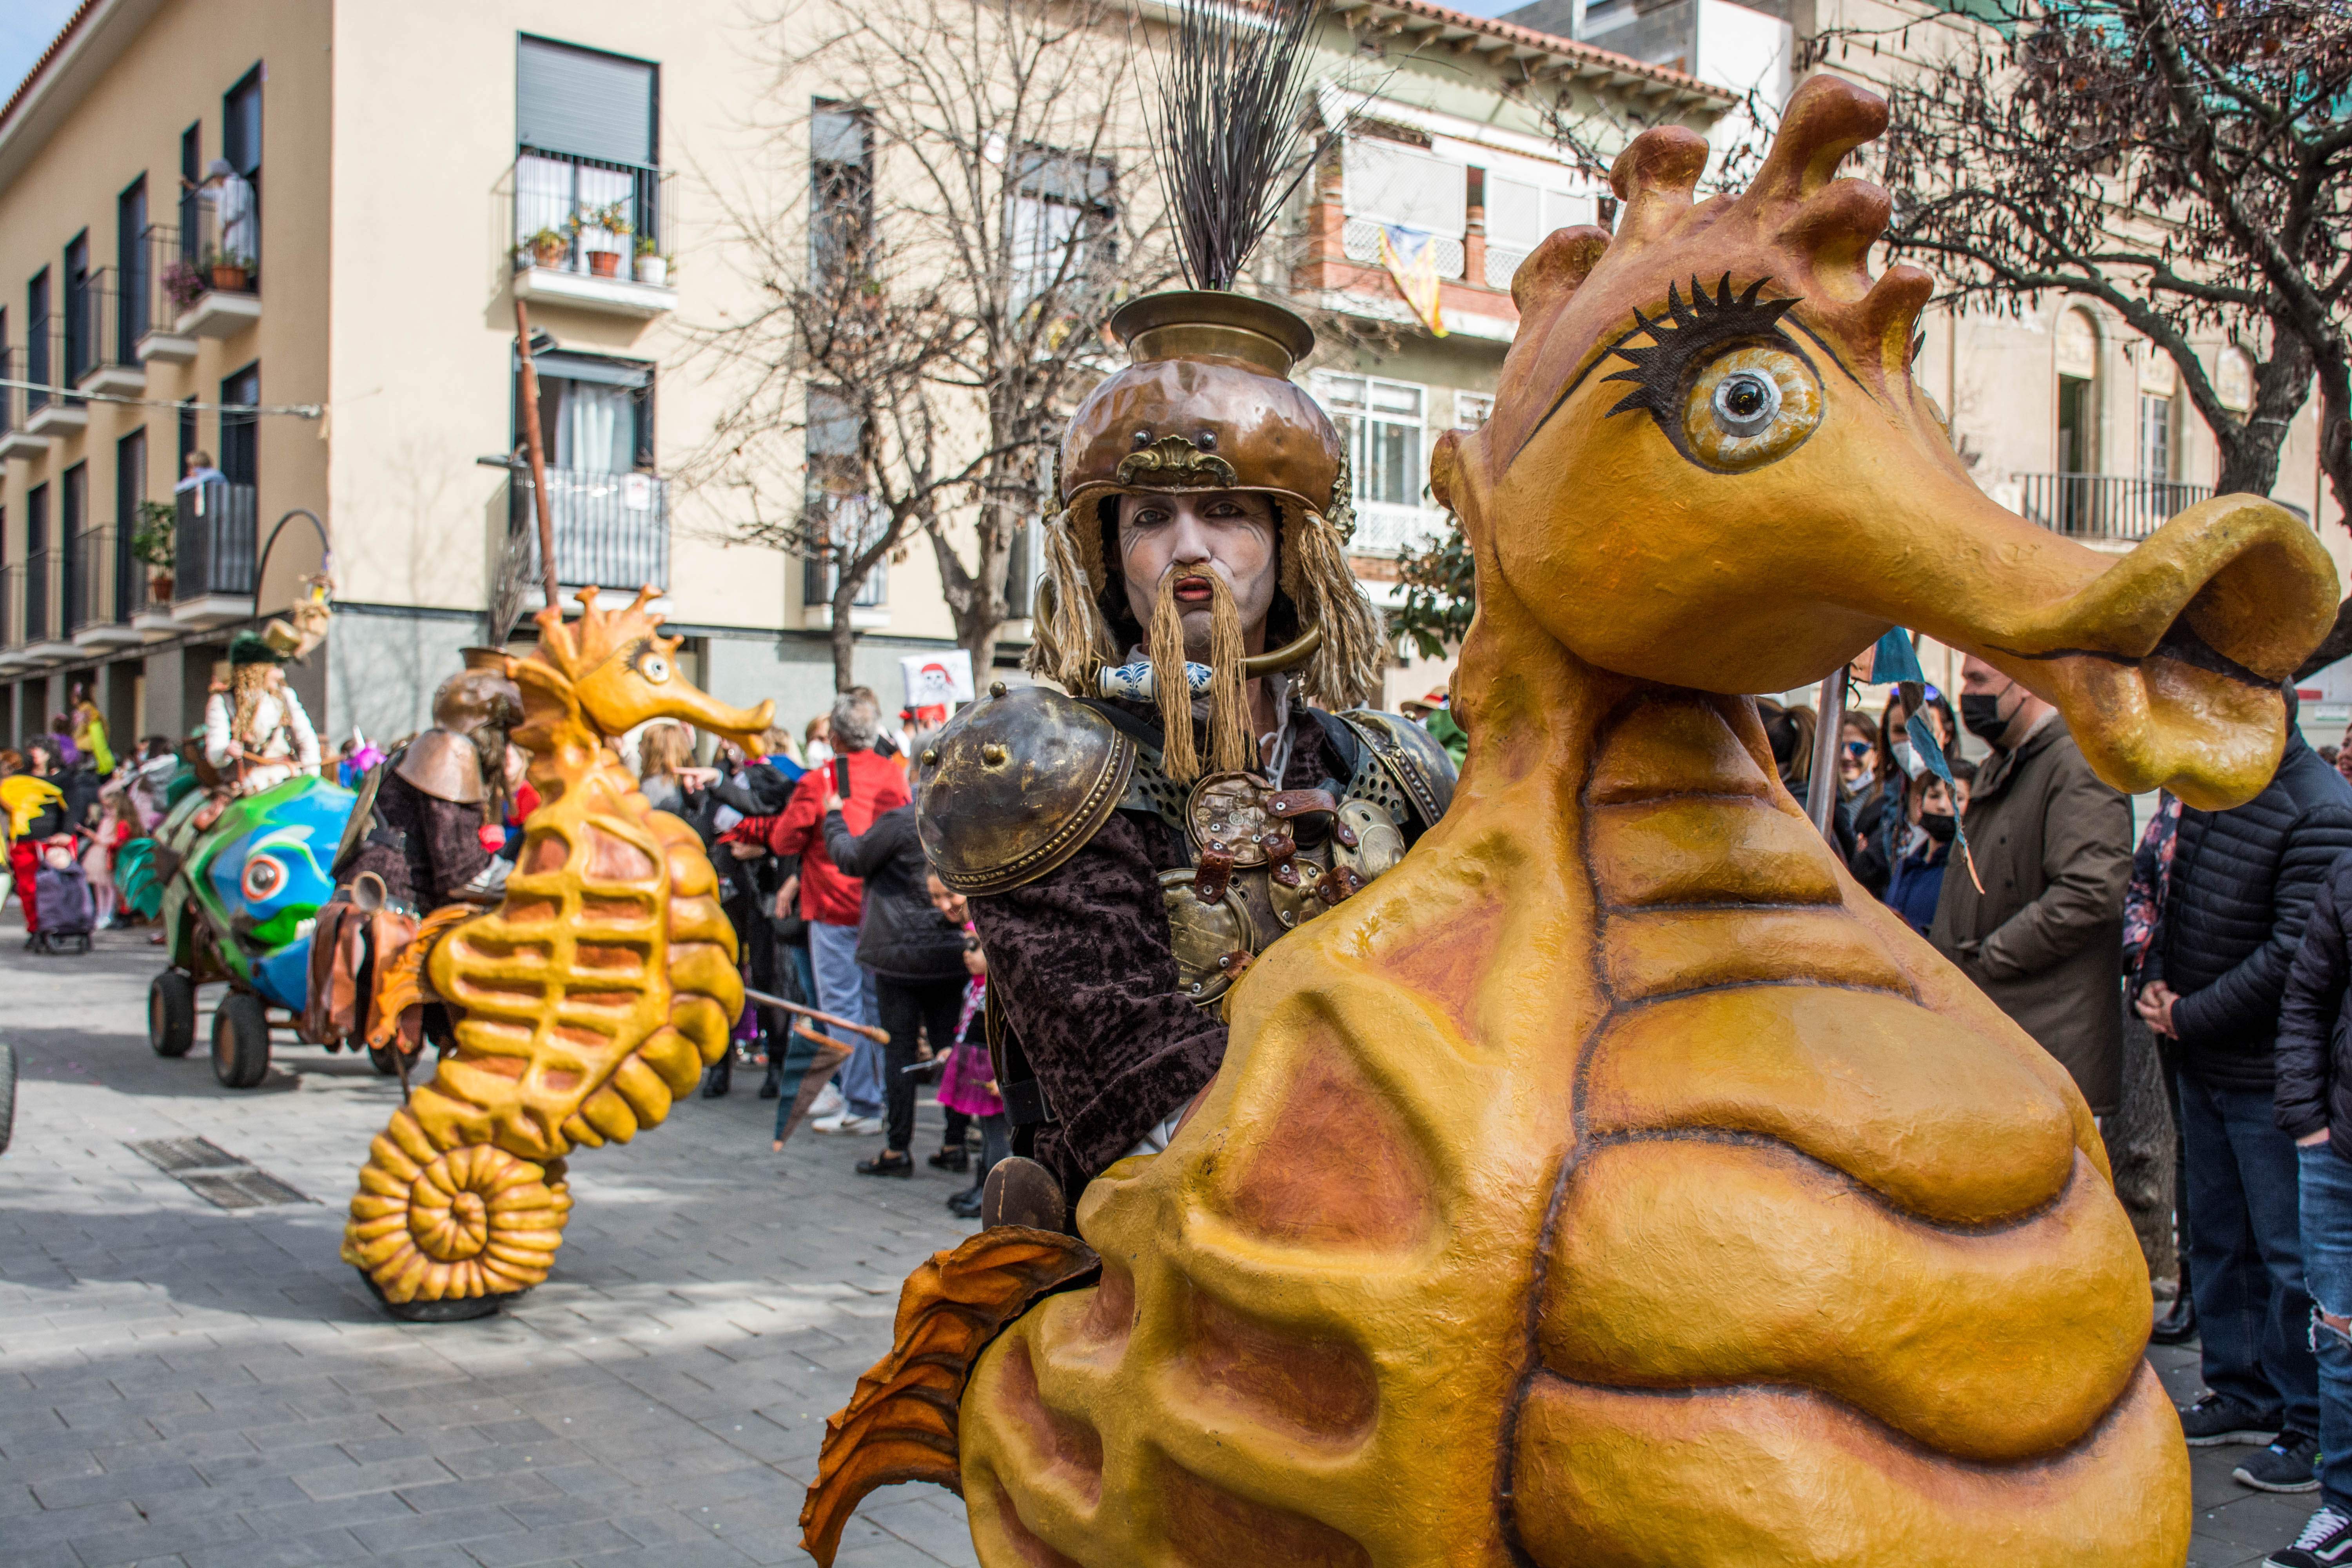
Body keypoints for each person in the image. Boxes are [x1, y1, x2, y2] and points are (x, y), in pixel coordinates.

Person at [915, 283, 1454, 1221]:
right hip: (1170, 1252)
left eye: (1226, 511)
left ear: (1292, 544)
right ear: (1109, 552)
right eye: (1151, 517)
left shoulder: (1395, 764)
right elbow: (1135, 1086)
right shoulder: (1048, 765)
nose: (1188, 547)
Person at [2141, 686, 2352, 1494]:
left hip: (2272, 1078)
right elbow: (2162, 895)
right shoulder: (2216, 794)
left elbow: (2295, 955)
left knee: (2289, 1257)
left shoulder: (2317, 807)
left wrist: (2189, 1013)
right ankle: (2240, 1389)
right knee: (2219, 1241)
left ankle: (2307, 1424)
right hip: (2202, 1059)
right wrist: (2156, 984)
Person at [1929, 654, 2131, 1117]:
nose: (1968, 695)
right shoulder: (2012, 763)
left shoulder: (2076, 763)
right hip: (2006, 1038)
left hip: (2046, 1048)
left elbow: (2091, 890)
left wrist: (1994, 956)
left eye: (1979, 680)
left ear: (2025, 684)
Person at [724, 689, 909, 1136]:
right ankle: (881, 1098)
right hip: (880, 906)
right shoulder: (893, 775)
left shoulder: (822, 779)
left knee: (841, 1008)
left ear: (838, 737)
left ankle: (863, 1101)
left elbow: (785, 840)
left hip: (832, 907)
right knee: (873, 1005)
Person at [821, 782, 970, 1177]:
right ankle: (954, 1142)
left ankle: (898, 1149)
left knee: (900, 1051)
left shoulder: (902, 820)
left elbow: (852, 858)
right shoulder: (963, 819)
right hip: (950, 952)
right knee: (951, 1046)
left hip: (900, 955)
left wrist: (833, 816)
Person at [2272, 827, 2352, 1564]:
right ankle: (2344, 1509)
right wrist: (2308, 1123)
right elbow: (2307, 996)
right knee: (2338, 1337)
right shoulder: (2349, 878)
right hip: (2339, 1152)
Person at [931, 873, 1002, 1220]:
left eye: (976, 947)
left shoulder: (995, 991)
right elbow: (966, 1024)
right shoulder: (974, 987)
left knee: (997, 1137)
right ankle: (981, 1188)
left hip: (991, 1069)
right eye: (967, 946)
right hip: (973, 1063)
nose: (967, 954)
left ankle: (997, 1196)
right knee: (986, 1135)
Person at [203, 633, 320, 797]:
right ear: (256, 669)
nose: (282, 675)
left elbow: (307, 738)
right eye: (276, 668)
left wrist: (311, 779)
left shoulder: (286, 696)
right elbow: (215, 753)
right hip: (249, 786)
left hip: (289, 780)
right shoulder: (223, 701)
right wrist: (227, 751)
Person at [1882, 759, 1974, 936]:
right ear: (1919, 804)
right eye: (1934, 796)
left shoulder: (1966, 871)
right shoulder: (1908, 864)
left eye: (1957, 799)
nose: (1942, 806)